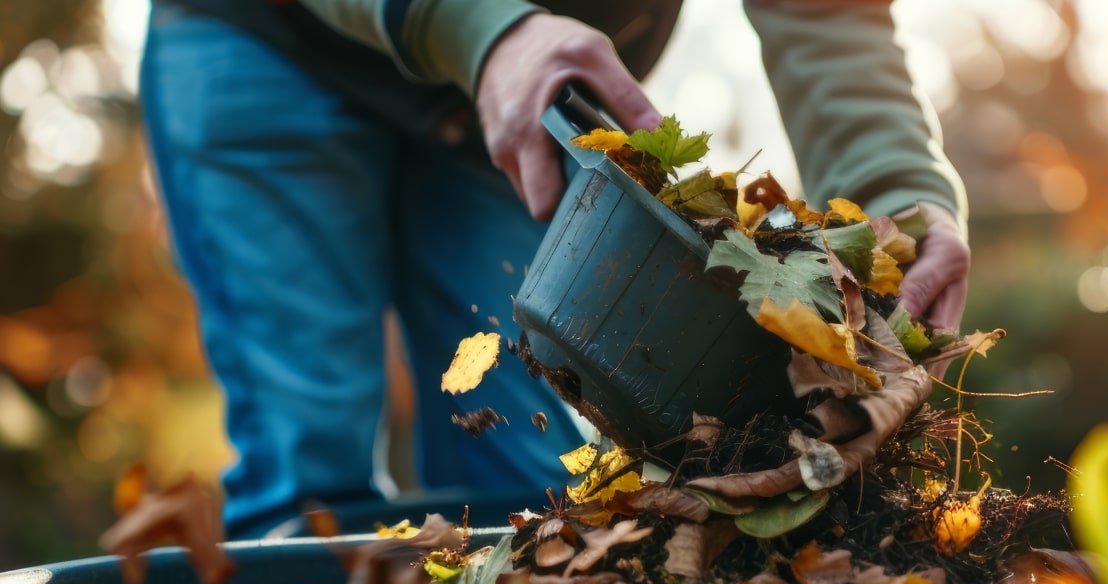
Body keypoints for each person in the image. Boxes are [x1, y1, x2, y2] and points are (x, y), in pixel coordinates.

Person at [139, 0, 969, 539]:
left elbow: (820, 13)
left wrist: (894, 192)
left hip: (508, 91)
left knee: (518, 496)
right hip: (270, 36)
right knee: (307, 463)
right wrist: (477, 24)